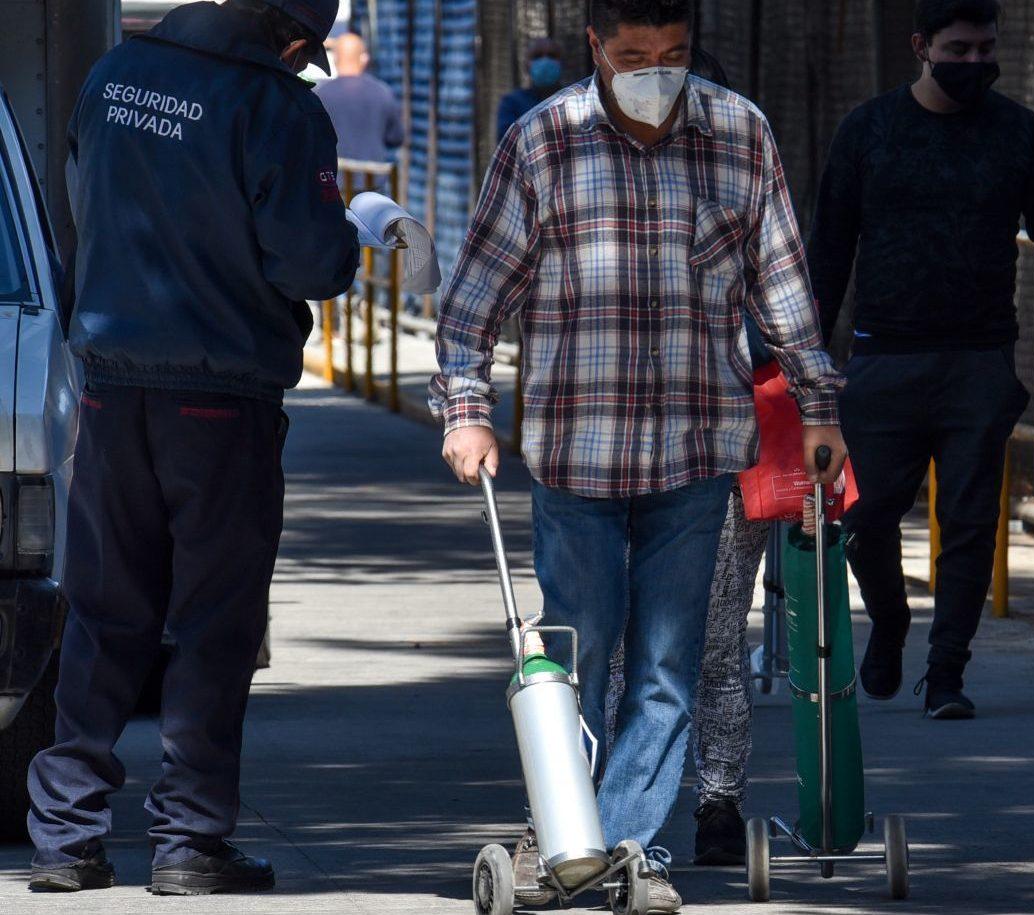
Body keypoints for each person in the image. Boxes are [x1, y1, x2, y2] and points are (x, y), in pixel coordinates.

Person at [431, 1, 846, 909]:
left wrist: (818, 407)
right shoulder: (542, 143)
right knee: (577, 653)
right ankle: (568, 832)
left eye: (672, 54)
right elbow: (471, 304)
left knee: (669, 666)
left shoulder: (738, 135)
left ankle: (617, 846)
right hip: (577, 454)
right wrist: (466, 410)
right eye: (632, 55)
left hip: (696, 453)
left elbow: (782, 283)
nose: (655, 71)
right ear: (594, 48)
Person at [26, 0, 357, 896]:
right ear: (291, 41)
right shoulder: (278, 106)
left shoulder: (113, 78)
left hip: (110, 383)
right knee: (213, 622)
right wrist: (353, 233)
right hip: (219, 396)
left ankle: (65, 836)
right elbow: (310, 265)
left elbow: (78, 202)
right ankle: (189, 840)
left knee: (103, 610)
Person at [809, 0, 1034, 721]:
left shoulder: (1016, 134)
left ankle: (947, 671)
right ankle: (890, 621)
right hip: (883, 359)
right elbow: (828, 250)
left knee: (971, 521)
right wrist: (807, 364)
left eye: (986, 50)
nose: (975, 63)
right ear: (921, 46)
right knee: (866, 517)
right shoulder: (869, 131)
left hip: (979, 358)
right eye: (959, 49)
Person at [599, 47, 766, 870]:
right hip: (616, 452)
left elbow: (785, 311)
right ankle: (624, 813)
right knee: (633, 643)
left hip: (718, 449)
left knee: (711, 640)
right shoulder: (602, 185)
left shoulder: (747, 186)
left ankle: (716, 802)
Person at [313, 32, 405, 163]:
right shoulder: (383, 92)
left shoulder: (319, 95)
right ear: (364, 59)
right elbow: (396, 138)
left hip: (332, 180)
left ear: (335, 59)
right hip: (373, 180)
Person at [496, 37, 564, 139]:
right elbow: (507, 143)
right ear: (526, 65)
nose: (545, 61)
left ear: (561, 63)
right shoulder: (512, 103)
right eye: (537, 56)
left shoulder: (573, 100)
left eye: (551, 56)